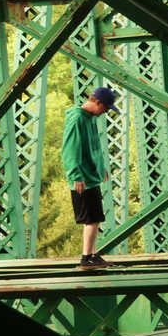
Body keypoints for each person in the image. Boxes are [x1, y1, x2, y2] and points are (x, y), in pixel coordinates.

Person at [61, 86, 118, 271]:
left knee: (96, 218)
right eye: (106, 108)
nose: (105, 112)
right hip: (82, 178)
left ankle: (92, 255)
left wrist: (101, 168)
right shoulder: (77, 118)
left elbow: (94, 147)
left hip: (91, 177)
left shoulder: (90, 118)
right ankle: (86, 258)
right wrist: (76, 175)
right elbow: (70, 150)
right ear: (97, 103)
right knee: (90, 219)